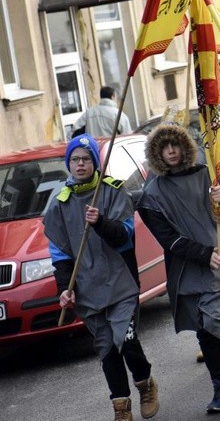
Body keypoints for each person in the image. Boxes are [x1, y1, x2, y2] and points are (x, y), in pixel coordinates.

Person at [137, 123, 220, 414]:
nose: (171, 151)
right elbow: (168, 239)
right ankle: (219, 384)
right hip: (188, 266)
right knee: (204, 329)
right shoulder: (152, 193)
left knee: (217, 321)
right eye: (164, 146)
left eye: (175, 145)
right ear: (156, 152)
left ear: (185, 147)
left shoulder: (208, 172)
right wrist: (202, 255)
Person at [44, 135, 159, 421]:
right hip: (88, 290)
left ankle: (145, 384)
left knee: (127, 340)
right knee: (107, 350)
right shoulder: (60, 203)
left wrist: (100, 223)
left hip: (121, 284)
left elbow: (124, 237)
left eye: (86, 158)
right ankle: (121, 407)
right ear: (68, 163)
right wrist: (64, 288)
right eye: (75, 159)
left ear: (95, 161)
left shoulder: (113, 191)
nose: (80, 164)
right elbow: (60, 255)